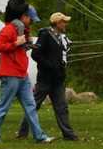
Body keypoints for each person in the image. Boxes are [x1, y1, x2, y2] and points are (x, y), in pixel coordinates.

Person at [0, 7, 54, 144]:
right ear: (24, 16)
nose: (32, 22)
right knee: (3, 106)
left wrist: (27, 45)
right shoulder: (8, 29)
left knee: (31, 106)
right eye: (31, 19)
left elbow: (20, 49)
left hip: (22, 74)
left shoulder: (23, 31)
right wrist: (16, 43)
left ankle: (39, 137)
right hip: (10, 74)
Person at [17, 12, 79, 141]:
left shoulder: (61, 37)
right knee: (35, 105)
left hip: (58, 79)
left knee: (62, 107)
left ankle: (68, 134)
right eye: (63, 22)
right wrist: (50, 65)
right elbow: (35, 54)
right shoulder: (45, 34)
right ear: (57, 23)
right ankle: (23, 132)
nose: (65, 24)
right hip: (45, 78)